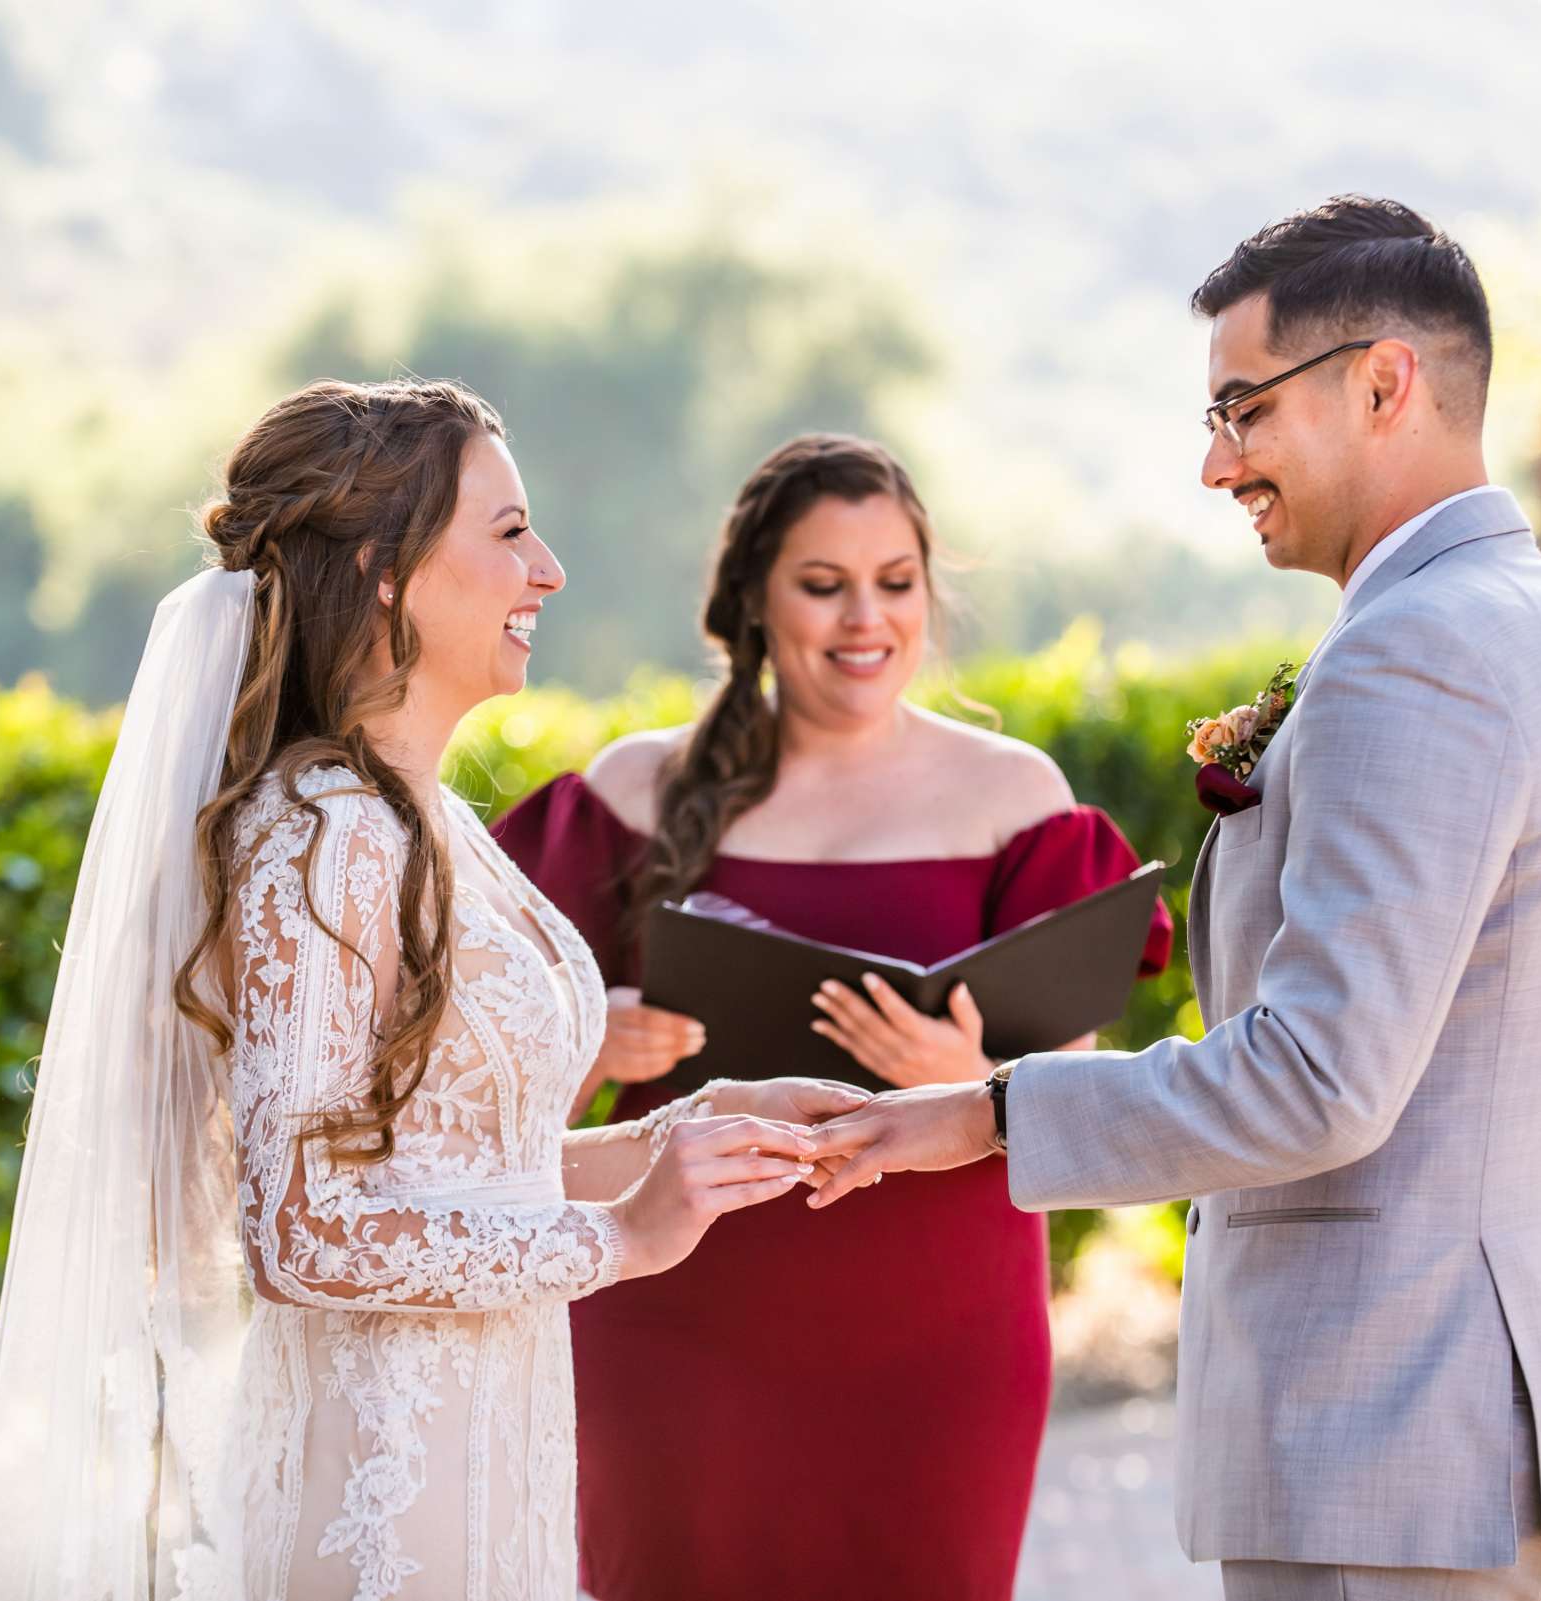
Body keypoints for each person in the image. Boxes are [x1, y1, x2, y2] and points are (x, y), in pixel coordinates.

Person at [807, 197, 1541, 1601]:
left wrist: (984, 1112)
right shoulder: (1540, 628)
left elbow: (1321, 1079)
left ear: (1385, 384)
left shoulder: (1417, 655)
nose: (1217, 465)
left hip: (1380, 1439)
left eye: (1244, 411)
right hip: (1466, 1437)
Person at [0, 378, 866, 1601]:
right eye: (507, 532)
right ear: (385, 571)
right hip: (382, 1498)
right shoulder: (322, 832)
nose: (546, 568)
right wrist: (623, 1238)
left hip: (502, 1458)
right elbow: (300, 1229)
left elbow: (466, 1162)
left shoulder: (428, 820)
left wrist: (686, 1135)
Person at [493, 432, 1173, 1601]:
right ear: (755, 600)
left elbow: (1079, 1086)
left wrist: (970, 1072)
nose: (866, 618)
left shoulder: (1020, 799)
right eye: (824, 585)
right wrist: (590, 1038)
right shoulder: (624, 793)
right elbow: (477, 1101)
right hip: (678, 1323)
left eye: (895, 583)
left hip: (935, 1328)